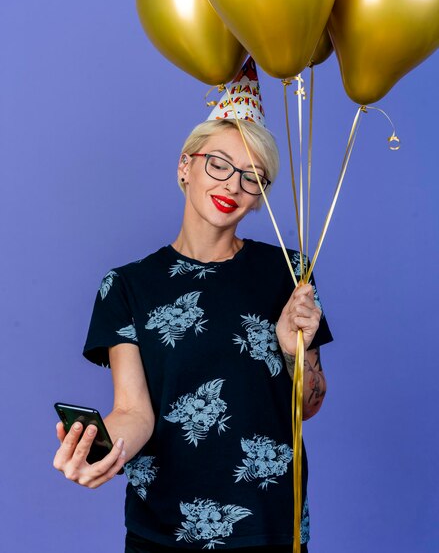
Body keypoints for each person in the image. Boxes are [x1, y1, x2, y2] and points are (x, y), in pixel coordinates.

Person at [53, 60, 332, 552]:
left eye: (253, 177)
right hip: (162, 530)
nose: (232, 186)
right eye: (219, 164)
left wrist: (292, 350)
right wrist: (99, 450)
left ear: (260, 196)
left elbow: (308, 406)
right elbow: (133, 411)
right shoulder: (126, 287)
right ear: (186, 165)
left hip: (268, 526)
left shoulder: (291, 273)